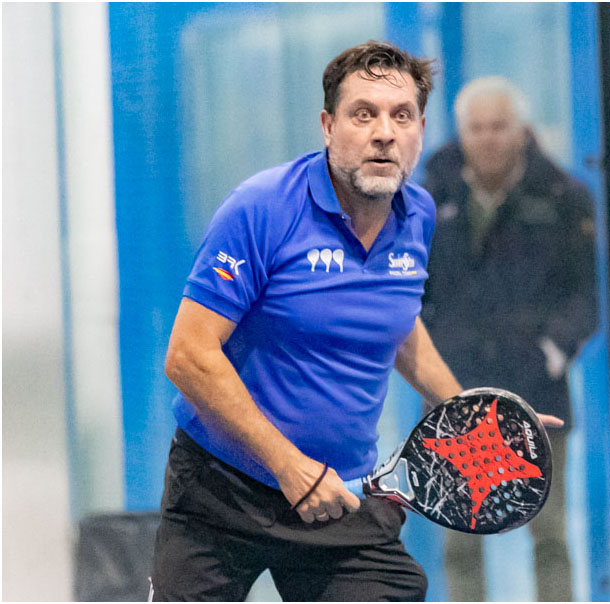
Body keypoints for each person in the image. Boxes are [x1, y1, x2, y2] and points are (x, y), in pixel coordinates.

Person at [150, 42, 563, 602]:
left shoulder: (417, 215)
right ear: (328, 126)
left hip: (340, 496)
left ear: (420, 131)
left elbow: (398, 323)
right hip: (220, 491)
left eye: (402, 116)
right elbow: (189, 355)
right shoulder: (261, 208)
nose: (384, 133)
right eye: (363, 114)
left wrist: (467, 415)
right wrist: (290, 467)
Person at [421, 76, 598, 602]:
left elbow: (587, 294)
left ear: (522, 130)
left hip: (536, 391)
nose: (488, 138)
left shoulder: (564, 198)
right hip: (454, 394)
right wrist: (431, 354)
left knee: (550, 535)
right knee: (459, 540)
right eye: (477, 128)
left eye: (499, 126)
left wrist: (553, 351)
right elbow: (409, 291)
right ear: (461, 133)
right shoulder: (427, 200)